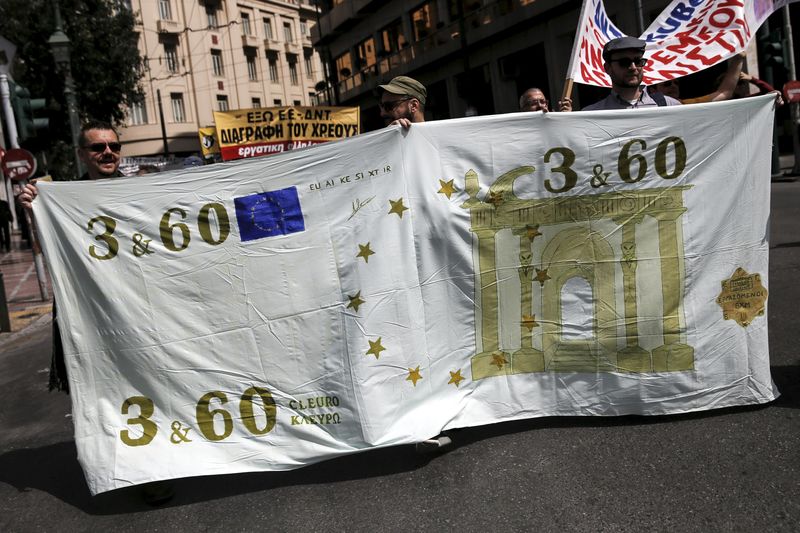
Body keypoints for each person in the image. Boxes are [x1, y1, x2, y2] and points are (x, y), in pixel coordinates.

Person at [19, 120, 174, 506]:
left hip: (138, 312)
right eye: (97, 148)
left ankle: (154, 469)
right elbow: (43, 249)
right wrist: (33, 211)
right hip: (90, 317)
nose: (107, 153)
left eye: (113, 146)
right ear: (81, 154)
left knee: (145, 387)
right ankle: (123, 464)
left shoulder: (137, 188)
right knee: (104, 391)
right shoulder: (62, 196)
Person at [582, 36, 681, 111]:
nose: (633, 67)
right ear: (608, 68)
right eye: (624, 62)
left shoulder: (670, 105)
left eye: (638, 61)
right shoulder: (593, 114)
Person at [650, 52, 746, 104]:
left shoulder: (684, 105)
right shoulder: (642, 108)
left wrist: (738, 59)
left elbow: (724, 93)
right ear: (652, 90)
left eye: (676, 83)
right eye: (667, 84)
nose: (673, 86)